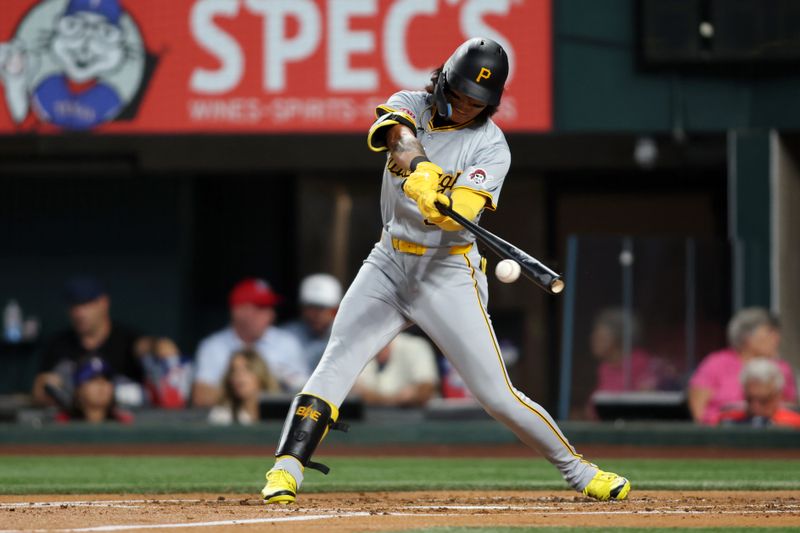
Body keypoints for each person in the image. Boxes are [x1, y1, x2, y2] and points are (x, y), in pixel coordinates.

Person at [260, 38, 630, 505]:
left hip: (447, 271)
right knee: (337, 360)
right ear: (442, 83)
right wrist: (420, 169)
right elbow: (397, 136)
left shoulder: (492, 147)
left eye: (476, 104)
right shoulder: (409, 103)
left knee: (496, 394)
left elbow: (464, 207)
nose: (463, 109)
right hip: (388, 261)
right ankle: (285, 469)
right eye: (458, 97)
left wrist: (443, 202)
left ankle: (579, 471)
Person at [192, 278, 308, 407]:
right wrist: (244, 389)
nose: (270, 314)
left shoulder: (287, 343)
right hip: (230, 422)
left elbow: (306, 392)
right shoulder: (213, 347)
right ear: (238, 311)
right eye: (261, 308)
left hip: (278, 420)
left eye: (270, 308)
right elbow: (201, 397)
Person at [33, 276, 143, 406]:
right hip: (73, 421)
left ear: (104, 303)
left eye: (86, 304)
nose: (79, 313)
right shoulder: (58, 345)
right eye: (74, 306)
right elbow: (40, 393)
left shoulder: (130, 342)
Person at [688, 307, 797, 425]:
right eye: (770, 332)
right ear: (747, 337)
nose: (777, 338)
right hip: (721, 434)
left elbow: (790, 409)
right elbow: (698, 412)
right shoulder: (716, 364)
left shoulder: (782, 369)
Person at [351, 333, 439, 407]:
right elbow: (358, 393)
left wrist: (377, 398)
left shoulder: (415, 346)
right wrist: (395, 399)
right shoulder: (361, 350)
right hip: (374, 419)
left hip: (416, 419)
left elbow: (426, 389)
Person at [283, 274, 343, 370]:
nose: (315, 314)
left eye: (321, 308)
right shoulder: (286, 335)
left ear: (335, 310)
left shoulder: (345, 335)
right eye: (310, 307)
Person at [719, 358, 800, 429]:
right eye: (750, 399)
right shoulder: (729, 419)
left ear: (778, 396)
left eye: (764, 400)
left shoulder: (795, 424)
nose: (755, 407)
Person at [208, 348, 282, 426]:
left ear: (260, 373)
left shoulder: (282, 413)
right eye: (233, 370)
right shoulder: (222, 416)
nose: (238, 375)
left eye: (246, 369)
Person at [54, 356, 133, 424]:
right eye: (92, 379)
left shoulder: (123, 422)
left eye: (106, 379)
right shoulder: (62, 422)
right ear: (79, 390)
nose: (101, 383)